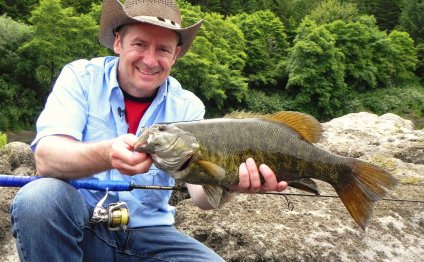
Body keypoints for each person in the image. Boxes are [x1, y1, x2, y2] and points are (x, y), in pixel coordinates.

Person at [10, 0, 288, 261]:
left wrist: (229, 183)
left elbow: (201, 197)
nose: (151, 60)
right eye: (139, 44)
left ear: (176, 54)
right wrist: (107, 153)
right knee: (39, 198)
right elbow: (47, 158)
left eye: (163, 49)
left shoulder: (188, 107)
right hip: (82, 229)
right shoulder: (80, 78)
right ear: (118, 42)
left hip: (152, 239)